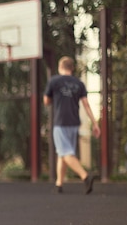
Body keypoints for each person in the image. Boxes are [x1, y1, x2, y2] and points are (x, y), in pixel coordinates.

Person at [43, 56, 101, 194]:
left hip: (61, 122)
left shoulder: (54, 81)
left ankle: (85, 176)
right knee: (63, 153)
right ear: (72, 68)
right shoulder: (79, 83)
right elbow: (86, 105)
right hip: (74, 123)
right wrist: (95, 124)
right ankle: (59, 184)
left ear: (60, 67)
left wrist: (53, 99)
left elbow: (46, 101)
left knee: (65, 152)